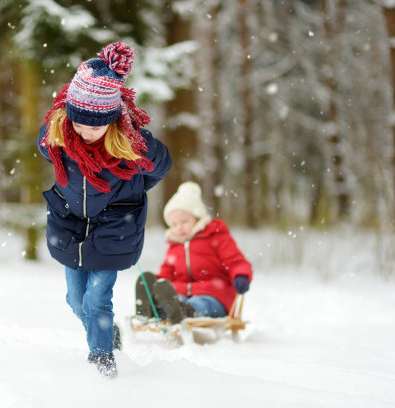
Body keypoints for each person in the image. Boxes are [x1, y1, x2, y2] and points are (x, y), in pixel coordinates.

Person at [37, 42, 171, 377]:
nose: (85, 132)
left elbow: (159, 167)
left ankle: (101, 358)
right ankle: (106, 334)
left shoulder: (128, 145)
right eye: (79, 124)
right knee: (75, 300)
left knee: (97, 300)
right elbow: (43, 142)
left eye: (94, 127)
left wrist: (134, 187)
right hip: (71, 227)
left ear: (111, 122)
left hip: (113, 228)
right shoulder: (62, 137)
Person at [135, 181, 252, 325]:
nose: (179, 228)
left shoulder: (215, 236)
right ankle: (155, 308)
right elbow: (168, 274)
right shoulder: (175, 245)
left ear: (197, 218)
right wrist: (157, 283)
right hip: (183, 294)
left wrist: (241, 275)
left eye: (184, 221)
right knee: (176, 300)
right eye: (174, 224)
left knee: (202, 303)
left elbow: (235, 260)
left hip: (214, 293)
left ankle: (187, 311)